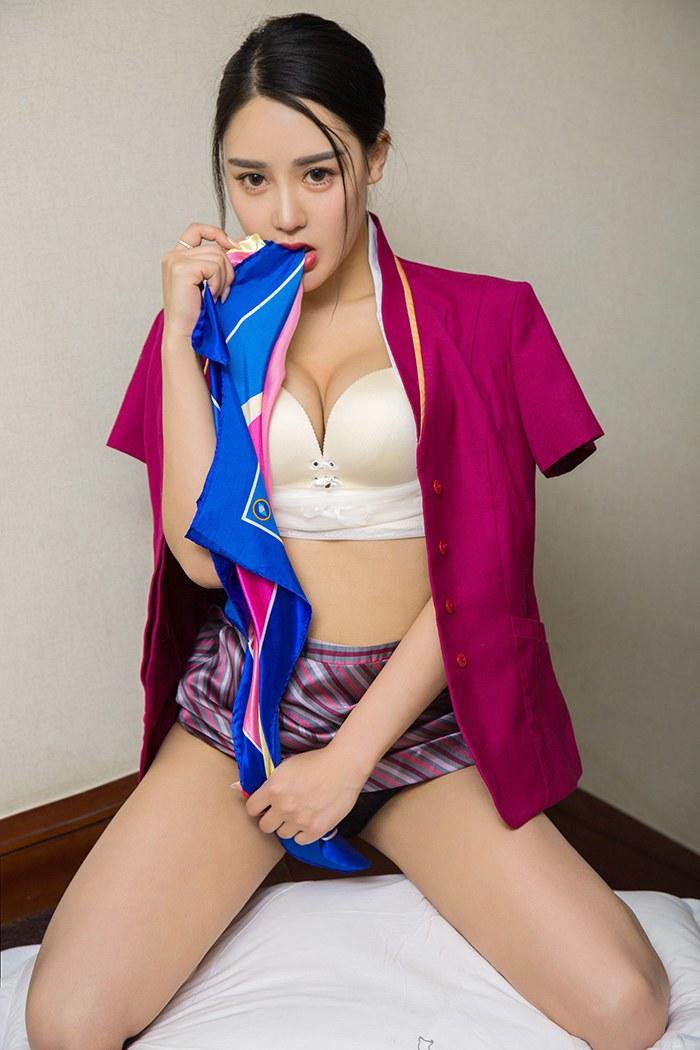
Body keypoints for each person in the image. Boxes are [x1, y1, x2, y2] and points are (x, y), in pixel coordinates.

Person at [24, 13, 670, 1050]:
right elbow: (200, 558)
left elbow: (489, 577)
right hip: (253, 706)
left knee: (626, 1007)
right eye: (249, 179)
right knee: (67, 1022)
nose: (283, 213)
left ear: (374, 157)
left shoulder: (484, 320)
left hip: (413, 711)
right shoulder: (208, 328)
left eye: (317, 174)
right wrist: (182, 336)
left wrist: (348, 763)